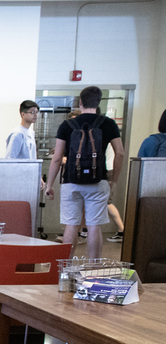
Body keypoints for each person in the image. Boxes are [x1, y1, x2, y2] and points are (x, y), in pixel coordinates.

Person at [45, 86, 125, 260]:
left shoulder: (67, 125)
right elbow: (120, 153)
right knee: (94, 226)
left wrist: (50, 185)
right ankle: (94, 268)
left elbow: (57, 158)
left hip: (71, 181)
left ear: (80, 102)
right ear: (98, 103)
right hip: (98, 181)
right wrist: (114, 182)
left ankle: (64, 269)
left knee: (71, 226)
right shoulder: (108, 123)